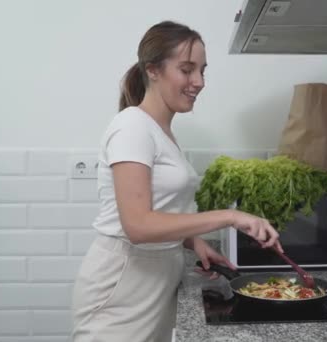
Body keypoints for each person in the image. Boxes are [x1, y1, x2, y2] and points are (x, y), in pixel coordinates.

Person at [71, 20, 283, 342]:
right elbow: (138, 225)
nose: (199, 81)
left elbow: (161, 209)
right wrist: (230, 216)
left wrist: (193, 243)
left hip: (156, 277)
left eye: (202, 70)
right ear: (153, 70)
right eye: (187, 70)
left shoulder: (162, 132)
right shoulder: (132, 127)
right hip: (123, 283)